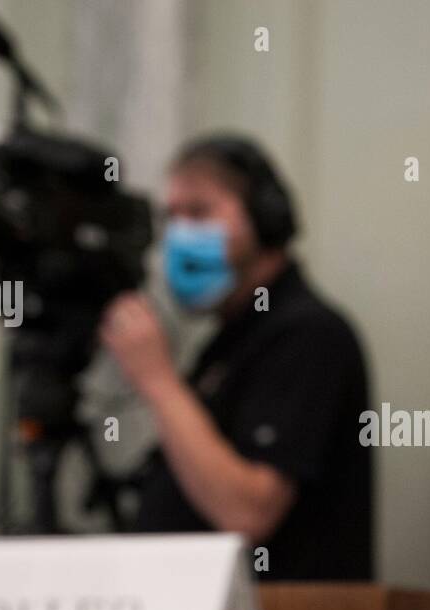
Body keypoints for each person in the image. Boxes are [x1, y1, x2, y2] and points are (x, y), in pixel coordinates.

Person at [100, 135, 372, 580]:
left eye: (200, 212)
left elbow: (247, 512)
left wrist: (158, 380)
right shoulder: (227, 341)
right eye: (172, 217)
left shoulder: (309, 334)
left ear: (266, 221)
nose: (181, 235)